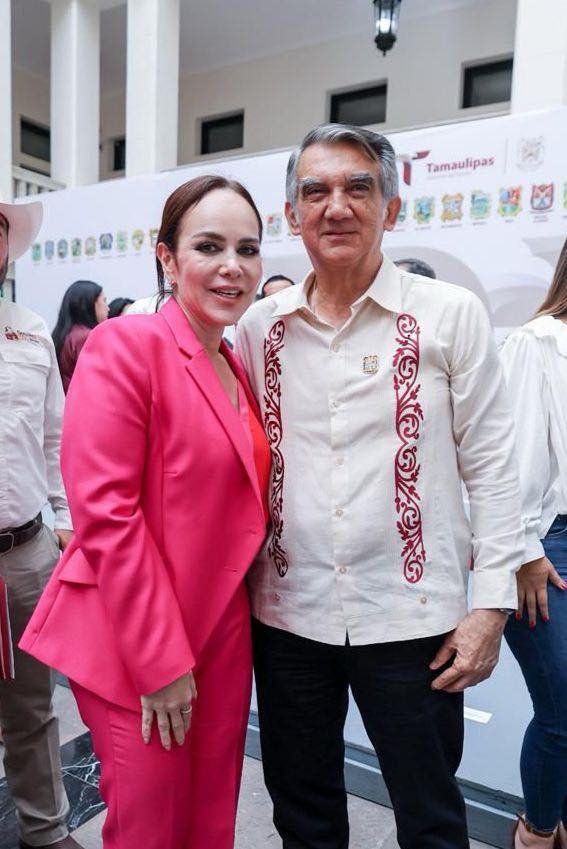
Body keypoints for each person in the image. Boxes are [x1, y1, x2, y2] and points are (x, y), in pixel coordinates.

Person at [235, 124, 524, 849]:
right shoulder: (258, 328)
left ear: (391, 208)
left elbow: (494, 465)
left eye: (357, 188)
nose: (336, 206)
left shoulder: (449, 314)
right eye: (316, 191)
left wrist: (489, 607)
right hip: (288, 617)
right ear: (292, 214)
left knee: (430, 816)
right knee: (303, 813)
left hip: (413, 619)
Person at [21, 175, 270, 849]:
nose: (231, 265)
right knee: (150, 828)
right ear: (167, 257)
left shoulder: (234, 364)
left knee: (209, 819)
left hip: (220, 633)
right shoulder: (125, 345)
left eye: (247, 249)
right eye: (208, 246)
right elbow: (106, 513)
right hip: (134, 637)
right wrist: (159, 660)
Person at [0, 199, 81, 849]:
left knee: (32, 705)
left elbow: (55, 438)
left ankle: (45, 831)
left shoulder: (30, 332)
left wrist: (63, 521)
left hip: (26, 553)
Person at [500, 239, 567, 849]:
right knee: (562, 709)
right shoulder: (537, 342)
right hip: (549, 545)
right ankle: (537, 832)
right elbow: (513, 461)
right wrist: (524, 550)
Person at [52, 280, 109, 392]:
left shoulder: (64, 334)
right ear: (90, 303)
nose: (108, 308)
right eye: (104, 301)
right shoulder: (85, 337)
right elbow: (96, 381)